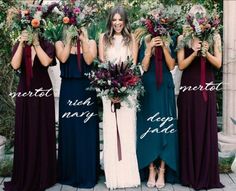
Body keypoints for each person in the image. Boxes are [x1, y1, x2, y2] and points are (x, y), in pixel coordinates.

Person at [177, 4, 224, 190]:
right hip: (189, 87)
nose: (198, 20)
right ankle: (189, 174)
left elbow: (218, 63)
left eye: (201, 16)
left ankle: (206, 173)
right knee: (190, 126)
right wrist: (195, 53)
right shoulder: (183, 38)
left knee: (205, 126)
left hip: (207, 87)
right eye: (195, 17)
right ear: (190, 19)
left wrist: (207, 52)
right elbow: (181, 65)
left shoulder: (214, 36)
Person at [4, 30, 57, 191]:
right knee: (26, 128)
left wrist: (35, 44)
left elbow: (46, 62)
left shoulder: (47, 43)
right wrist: (21, 43)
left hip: (43, 90)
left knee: (42, 128)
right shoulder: (19, 43)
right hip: (25, 91)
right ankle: (25, 173)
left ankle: (44, 175)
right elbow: (15, 65)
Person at [98, 6, 140, 189]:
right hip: (108, 92)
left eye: (120, 19)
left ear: (125, 21)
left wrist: (123, 91)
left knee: (127, 130)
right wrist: (111, 91)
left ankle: (128, 176)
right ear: (110, 21)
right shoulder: (103, 39)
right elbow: (102, 67)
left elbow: (133, 68)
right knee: (110, 130)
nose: (117, 23)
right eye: (114, 20)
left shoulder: (132, 40)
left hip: (128, 92)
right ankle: (113, 176)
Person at [55, 27, 99, 188]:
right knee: (70, 131)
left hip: (86, 91)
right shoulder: (60, 43)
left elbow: (89, 61)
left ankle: (87, 173)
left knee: (85, 131)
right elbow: (63, 58)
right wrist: (69, 41)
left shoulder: (92, 42)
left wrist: (84, 40)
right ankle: (68, 173)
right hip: (68, 91)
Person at [136, 30, 179, 188]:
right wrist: (149, 49)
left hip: (165, 88)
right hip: (148, 87)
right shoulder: (144, 40)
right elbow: (144, 67)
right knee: (148, 127)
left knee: (165, 128)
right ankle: (150, 169)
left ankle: (162, 169)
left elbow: (171, 65)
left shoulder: (170, 39)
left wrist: (165, 47)